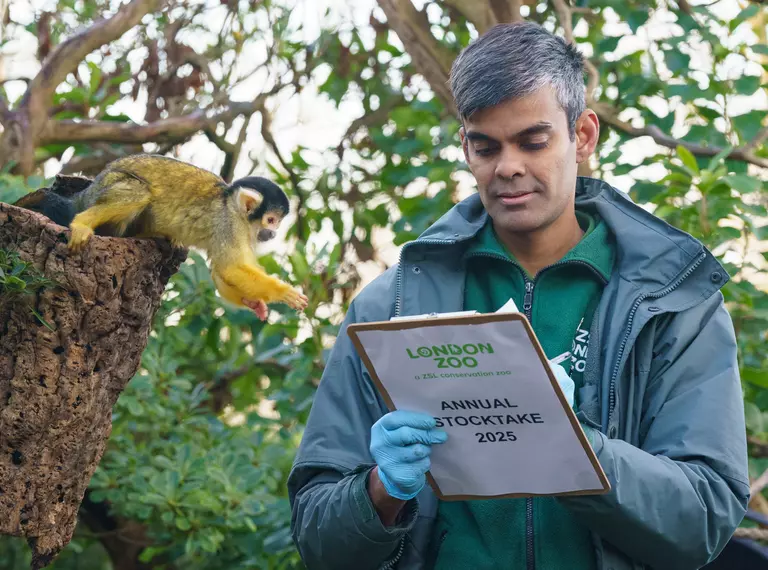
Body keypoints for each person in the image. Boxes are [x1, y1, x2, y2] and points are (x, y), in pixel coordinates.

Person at [287, 21, 750, 570]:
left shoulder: (674, 301)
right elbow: (318, 539)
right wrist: (382, 491)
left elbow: (704, 519)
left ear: (582, 136)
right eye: (486, 147)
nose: (508, 167)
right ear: (466, 147)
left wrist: (574, 449)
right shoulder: (391, 306)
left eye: (533, 141)